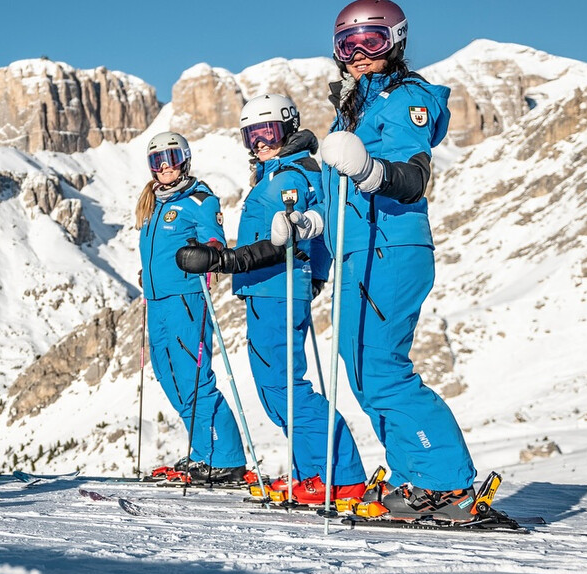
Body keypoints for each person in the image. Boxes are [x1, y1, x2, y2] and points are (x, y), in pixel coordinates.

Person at [319, 0, 477, 520]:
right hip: (358, 251)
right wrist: (309, 224)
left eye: (373, 40)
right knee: (363, 367)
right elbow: (339, 198)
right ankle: (417, 475)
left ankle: (447, 481)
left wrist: (369, 170)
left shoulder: (408, 99)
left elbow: (412, 176)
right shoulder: (355, 111)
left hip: (392, 246)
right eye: (349, 43)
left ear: (397, 41)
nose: (360, 53)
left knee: (382, 366)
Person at [174, 95, 368, 504]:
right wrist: (314, 275)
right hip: (271, 288)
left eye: (268, 132)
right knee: (279, 388)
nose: (259, 142)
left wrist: (224, 259)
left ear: (289, 127)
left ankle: (339, 475)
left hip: (275, 288)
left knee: (283, 388)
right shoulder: (281, 172)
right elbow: (309, 234)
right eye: (251, 135)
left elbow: (290, 237)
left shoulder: (291, 176)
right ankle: (312, 474)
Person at [136, 132, 248, 486]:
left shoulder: (198, 199)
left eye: (170, 158)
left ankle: (225, 457)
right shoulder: (154, 204)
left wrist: (207, 255)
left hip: (186, 300)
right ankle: (203, 451)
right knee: (170, 378)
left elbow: (214, 241)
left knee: (195, 378)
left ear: (184, 158)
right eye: (157, 161)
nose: (164, 167)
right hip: (157, 302)